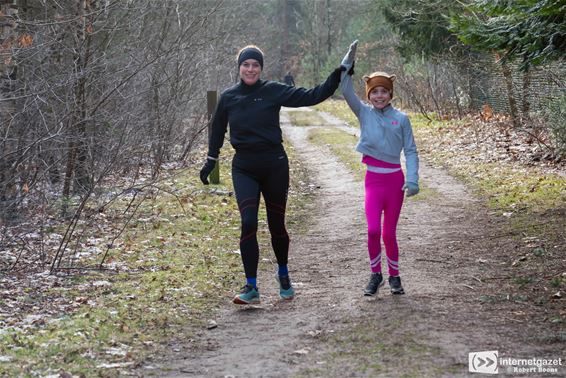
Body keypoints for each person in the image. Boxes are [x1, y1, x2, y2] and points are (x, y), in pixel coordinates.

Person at [200, 45, 345, 304]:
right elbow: (217, 129)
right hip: (244, 166)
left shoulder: (272, 91)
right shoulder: (228, 97)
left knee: (277, 224)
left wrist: (336, 75)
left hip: (274, 164)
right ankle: (251, 287)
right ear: (239, 67)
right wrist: (211, 159)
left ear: (261, 68)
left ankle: (283, 273)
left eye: (255, 65)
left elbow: (311, 96)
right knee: (248, 223)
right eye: (246, 64)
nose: (251, 69)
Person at [339, 40, 419, 296]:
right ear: (369, 95)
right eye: (374, 92)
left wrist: (413, 179)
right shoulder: (363, 113)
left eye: (384, 91)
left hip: (395, 182)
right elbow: (344, 88)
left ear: (390, 94)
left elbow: (411, 150)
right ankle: (376, 275)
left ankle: (394, 277)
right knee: (373, 231)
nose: (379, 96)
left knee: (389, 234)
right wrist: (347, 63)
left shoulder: (402, 119)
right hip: (373, 181)